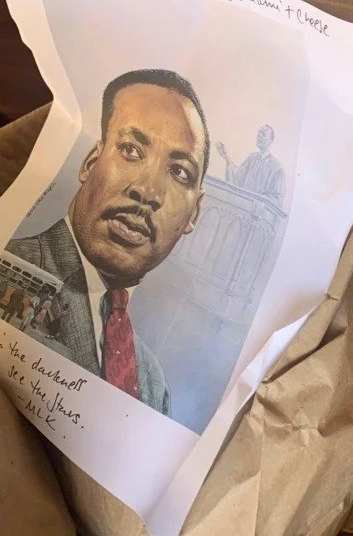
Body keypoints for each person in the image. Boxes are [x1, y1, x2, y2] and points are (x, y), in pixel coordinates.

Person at [7, 69, 210, 415]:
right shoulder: (10, 265)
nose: (147, 191)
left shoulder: (152, 381)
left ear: (194, 213)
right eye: (131, 150)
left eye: (179, 172)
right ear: (90, 162)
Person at [216, 125, 286, 209]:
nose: (259, 136)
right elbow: (238, 178)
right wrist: (227, 158)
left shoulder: (276, 167)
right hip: (242, 207)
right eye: (258, 133)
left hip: (257, 215)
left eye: (263, 134)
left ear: (270, 142)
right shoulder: (252, 158)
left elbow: (277, 199)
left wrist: (261, 201)